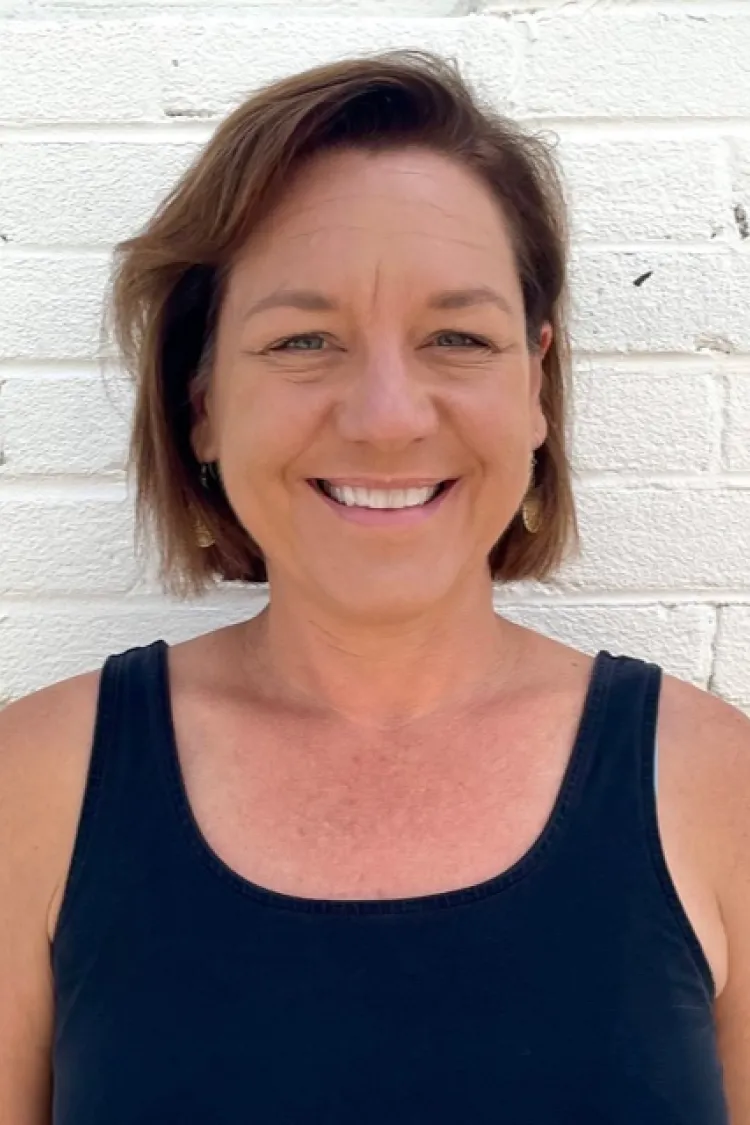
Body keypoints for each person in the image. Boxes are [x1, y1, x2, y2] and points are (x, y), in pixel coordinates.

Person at [0, 47, 748, 1124]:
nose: (388, 416)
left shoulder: (720, 791)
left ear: (534, 386)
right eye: (305, 340)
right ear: (202, 400)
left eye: (457, 337)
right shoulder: (39, 791)